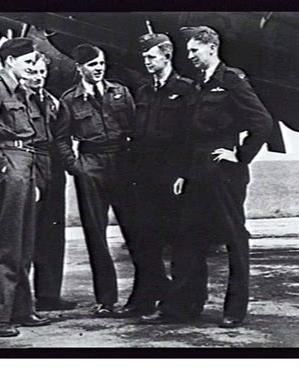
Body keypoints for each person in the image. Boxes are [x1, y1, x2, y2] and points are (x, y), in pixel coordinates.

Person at [149, 26, 273, 327]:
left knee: (233, 238)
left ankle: (234, 310)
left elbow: (262, 122)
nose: (189, 56)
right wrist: (182, 172)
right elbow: (188, 136)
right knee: (188, 240)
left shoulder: (230, 81)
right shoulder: (198, 85)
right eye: (188, 51)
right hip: (195, 172)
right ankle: (184, 308)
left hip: (222, 173)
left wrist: (240, 155)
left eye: (194, 50)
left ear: (211, 48)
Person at [0, 38, 50, 338]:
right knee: (6, 244)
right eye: (27, 62)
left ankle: (20, 309)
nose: (32, 67)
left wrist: (33, 176)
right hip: (10, 164)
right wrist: (2, 167)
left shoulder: (24, 90)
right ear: (10, 61)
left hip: (26, 165)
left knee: (25, 242)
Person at [52, 44, 139, 315]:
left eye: (101, 63)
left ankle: (147, 292)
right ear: (79, 68)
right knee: (96, 236)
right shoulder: (69, 99)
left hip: (122, 164)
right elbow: (61, 139)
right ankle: (106, 299)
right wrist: (75, 167)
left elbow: (135, 128)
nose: (99, 68)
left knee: (137, 230)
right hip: (91, 165)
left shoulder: (120, 92)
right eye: (92, 64)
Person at [121, 32, 198, 318]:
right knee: (146, 240)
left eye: (151, 57)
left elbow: (192, 136)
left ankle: (178, 305)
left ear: (167, 56)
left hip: (172, 177)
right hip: (145, 177)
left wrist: (183, 172)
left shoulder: (186, 89)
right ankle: (148, 296)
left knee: (180, 241)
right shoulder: (144, 91)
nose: (147, 61)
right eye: (144, 57)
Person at [23, 54, 77, 311]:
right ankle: (20, 300)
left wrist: (73, 167)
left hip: (53, 169)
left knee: (53, 233)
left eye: (42, 72)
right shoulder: (17, 101)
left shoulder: (54, 103)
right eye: (33, 72)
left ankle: (48, 295)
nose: (38, 77)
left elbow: (63, 137)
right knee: (24, 235)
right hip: (29, 165)